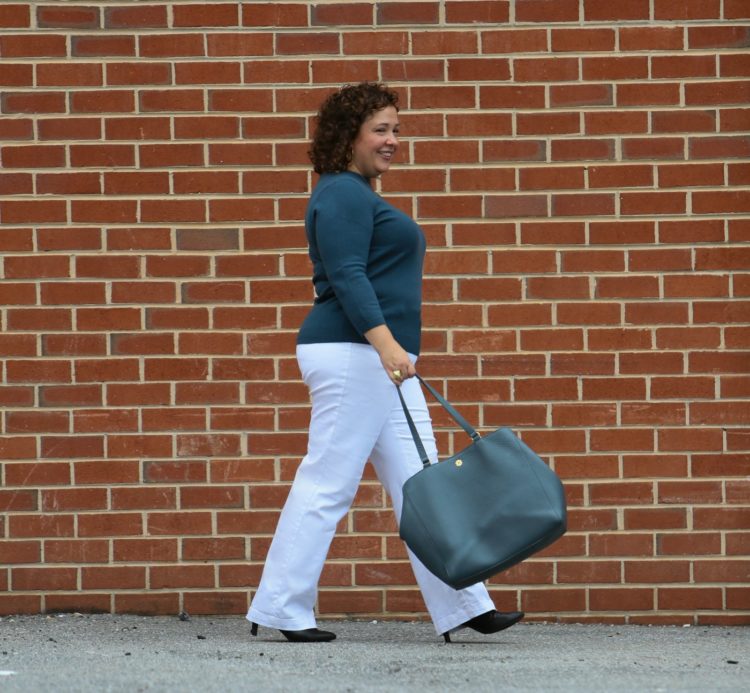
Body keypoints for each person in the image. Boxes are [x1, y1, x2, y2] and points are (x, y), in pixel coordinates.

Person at [247, 82, 523, 643]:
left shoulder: (356, 195)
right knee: (327, 482)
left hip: (373, 356)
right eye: (381, 129)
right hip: (356, 354)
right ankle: (280, 608)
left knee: (422, 482)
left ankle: (465, 604)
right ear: (348, 137)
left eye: (396, 129)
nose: (393, 140)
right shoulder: (343, 195)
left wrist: (388, 349)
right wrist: (387, 344)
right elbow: (347, 275)